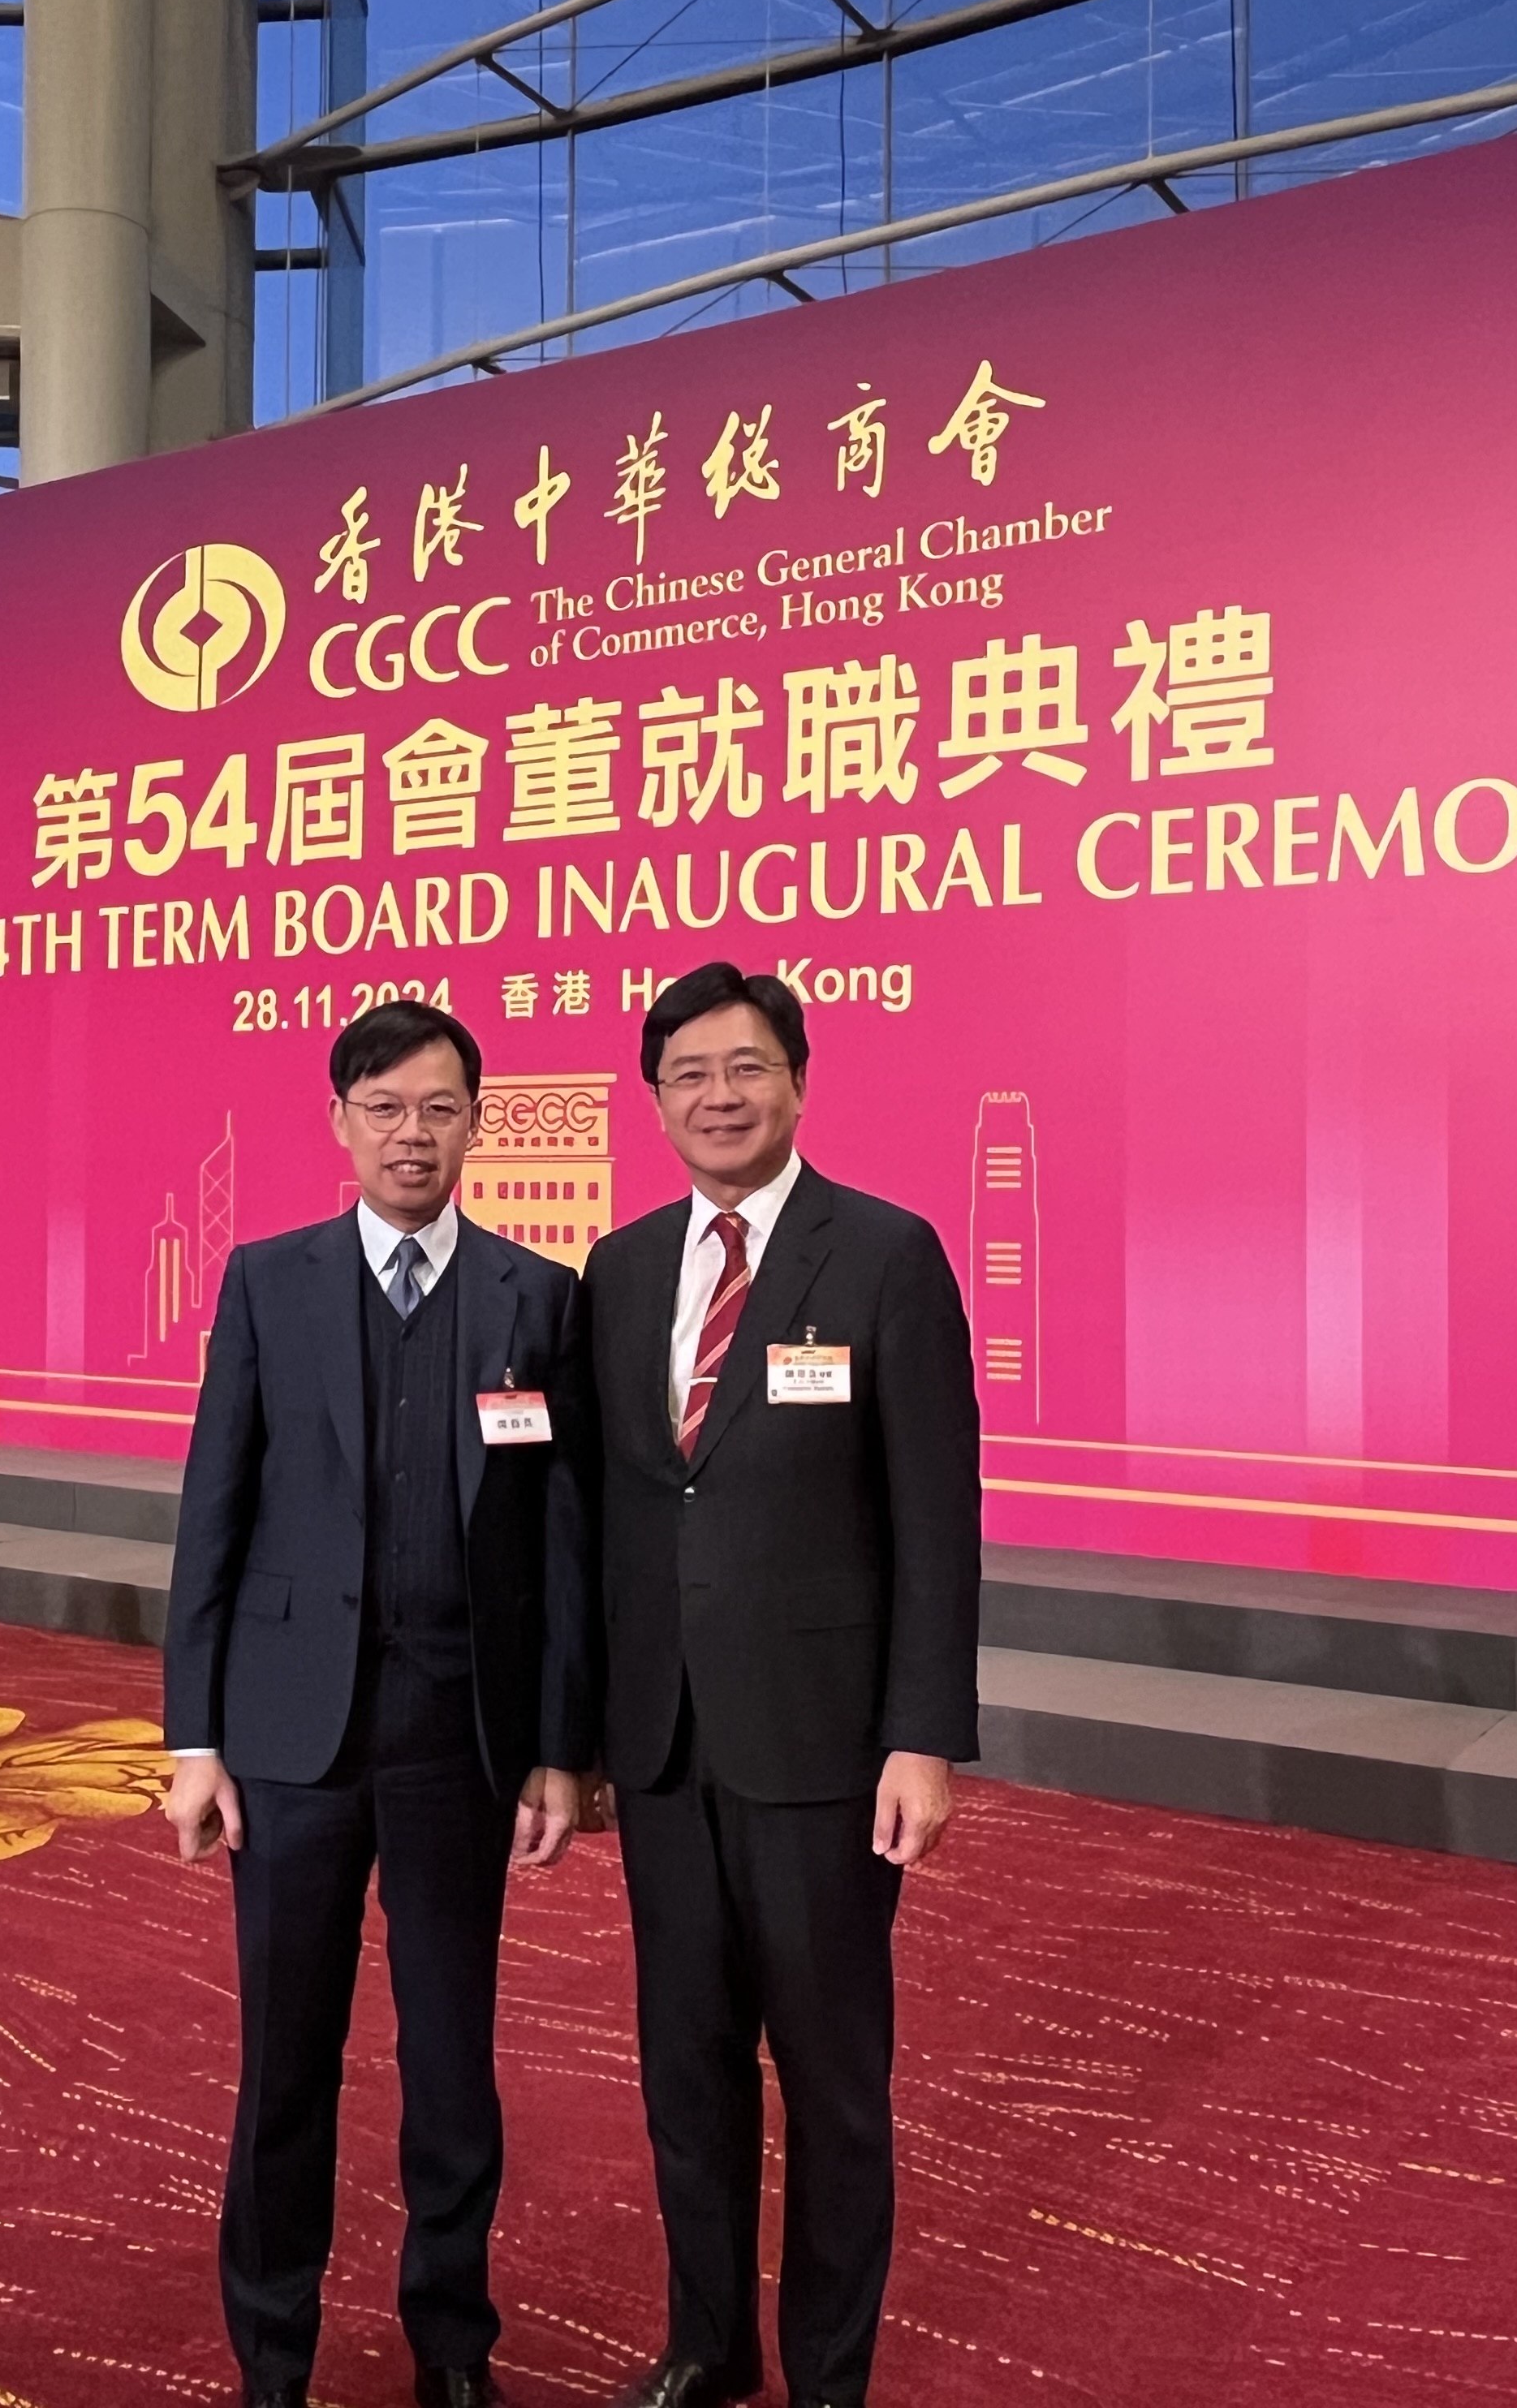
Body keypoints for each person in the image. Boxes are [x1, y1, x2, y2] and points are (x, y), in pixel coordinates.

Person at [162, 998, 597, 2408]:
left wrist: (559, 1748)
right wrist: (194, 1736)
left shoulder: (537, 1297)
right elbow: (213, 1515)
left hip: (457, 1742)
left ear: (477, 1122)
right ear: (341, 1123)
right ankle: (271, 2352)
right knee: (284, 2060)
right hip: (291, 1739)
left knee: (453, 2063)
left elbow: (562, 1548)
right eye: (387, 1108)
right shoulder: (265, 1281)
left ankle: (452, 2344)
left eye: (440, 1108)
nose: (414, 1134)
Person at [578, 963, 981, 2408]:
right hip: (664, 1742)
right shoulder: (621, 1269)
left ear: (797, 1081)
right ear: (656, 1100)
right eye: (688, 1074)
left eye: (745, 1067)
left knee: (830, 2081)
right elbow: (611, 1512)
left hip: (822, 1744)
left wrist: (921, 1736)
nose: (719, 1097)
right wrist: (582, 1732)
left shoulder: (882, 1253)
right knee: (685, 2066)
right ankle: (706, 2342)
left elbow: (935, 1515)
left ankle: (826, 2373)